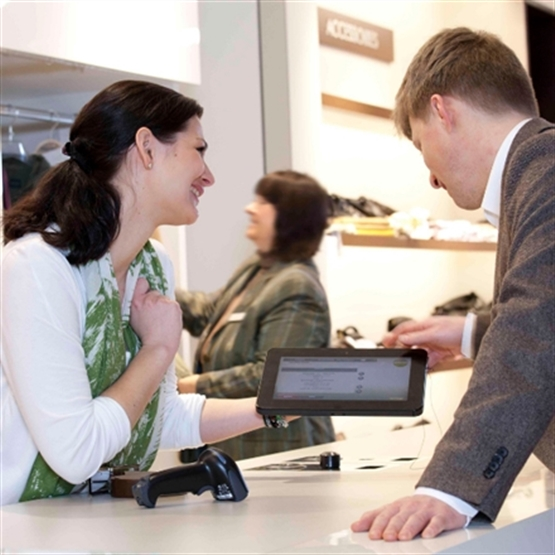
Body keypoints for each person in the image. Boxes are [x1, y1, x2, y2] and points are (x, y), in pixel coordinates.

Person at [0, 80, 288, 506]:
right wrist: (157, 349)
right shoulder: (37, 268)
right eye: (199, 150)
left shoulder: (151, 263)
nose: (209, 176)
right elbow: (77, 453)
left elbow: (158, 415)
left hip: (91, 528)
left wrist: (280, 406)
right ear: (147, 148)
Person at [351, 27, 554, 540]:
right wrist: (469, 333)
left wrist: (450, 488)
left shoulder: (544, 167)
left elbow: (537, 327)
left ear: (442, 111)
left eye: (422, 147)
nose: (432, 179)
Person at [176, 170, 336, 461]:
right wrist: (150, 286)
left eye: (262, 203)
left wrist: (192, 385)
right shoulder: (256, 268)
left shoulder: (297, 286)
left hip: (280, 453)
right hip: (241, 447)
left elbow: (271, 375)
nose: (250, 209)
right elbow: (207, 312)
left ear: (289, 218)